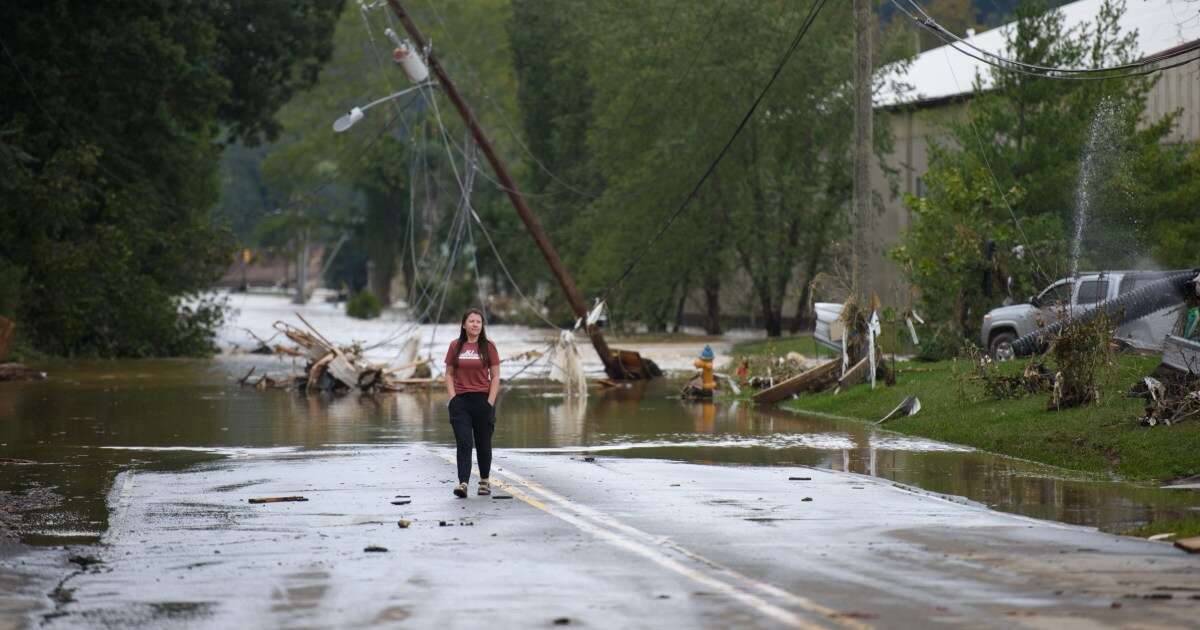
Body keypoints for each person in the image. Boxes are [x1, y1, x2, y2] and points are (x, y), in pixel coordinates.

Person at [444, 308, 500, 498]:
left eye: (478, 322)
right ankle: (463, 484)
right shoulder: (455, 346)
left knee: (484, 443)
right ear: (464, 325)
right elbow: (449, 374)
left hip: (483, 401)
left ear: (482, 325)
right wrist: (453, 399)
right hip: (461, 403)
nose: (475, 324)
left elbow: (496, 376)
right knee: (464, 442)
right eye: (472, 321)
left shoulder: (489, 346)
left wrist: (490, 401)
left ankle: (484, 481)